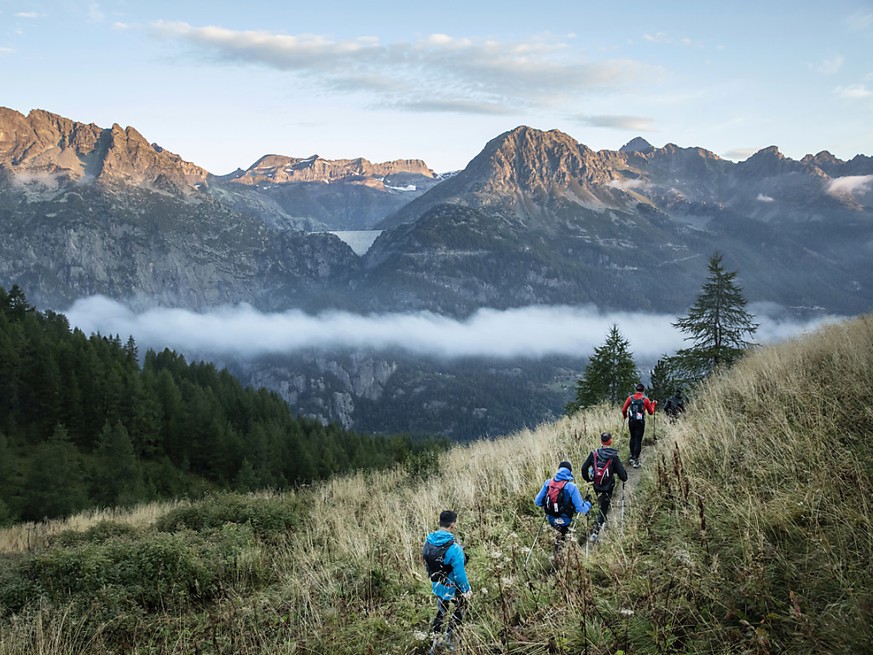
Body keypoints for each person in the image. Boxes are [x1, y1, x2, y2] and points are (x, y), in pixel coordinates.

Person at [423, 510, 472, 654]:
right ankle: (449, 638)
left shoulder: (428, 541)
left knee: (442, 611)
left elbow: (427, 563)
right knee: (460, 608)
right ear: (453, 525)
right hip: (452, 586)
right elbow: (460, 574)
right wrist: (466, 590)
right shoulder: (454, 548)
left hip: (437, 585)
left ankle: (436, 640)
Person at [534, 461, 593, 554]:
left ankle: (556, 556)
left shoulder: (548, 483)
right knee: (563, 536)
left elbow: (537, 501)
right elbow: (581, 509)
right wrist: (589, 504)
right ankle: (563, 558)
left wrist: (547, 505)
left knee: (557, 537)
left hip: (552, 519)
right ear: (569, 472)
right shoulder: (571, 487)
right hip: (565, 520)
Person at [581, 432, 628, 541]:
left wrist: (588, 479)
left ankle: (602, 521)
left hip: (596, 485)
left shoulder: (594, 454)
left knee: (602, 503)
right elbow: (623, 476)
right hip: (608, 486)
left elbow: (584, 468)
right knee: (604, 506)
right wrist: (623, 476)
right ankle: (596, 533)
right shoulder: (614, 456)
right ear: (610, 441)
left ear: (601, 441)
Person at [622, 383, 657, 467]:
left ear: (636, 390)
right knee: (638, 439)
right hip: (640, 422)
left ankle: (631, 456)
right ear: (643, 390)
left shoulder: (630, 398)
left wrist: (625, 416)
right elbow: (651, 412)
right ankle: (635, 460)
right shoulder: (645, 399)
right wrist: (654, 404)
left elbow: (623, 410)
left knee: (632, 437)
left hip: (631, 421)